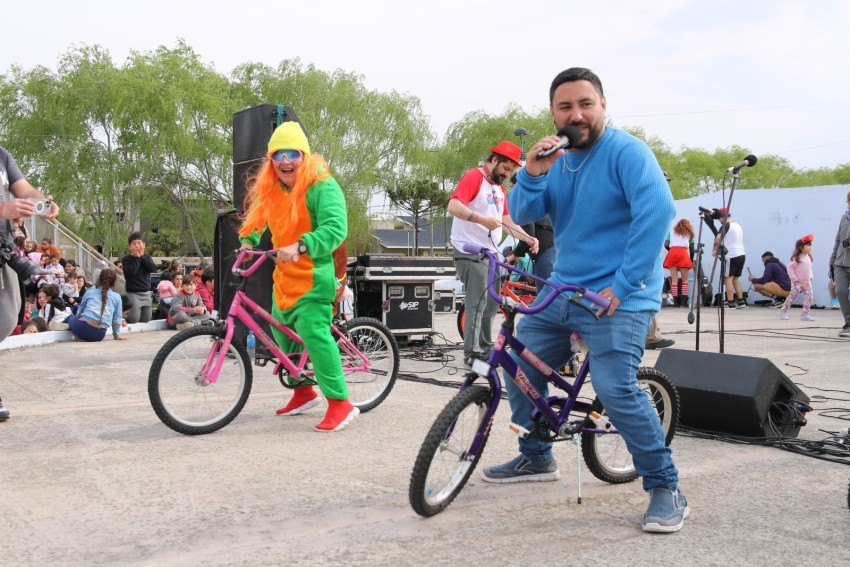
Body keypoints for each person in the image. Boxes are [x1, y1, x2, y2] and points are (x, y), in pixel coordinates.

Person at [484, 67, 687, 533]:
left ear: (603, 106)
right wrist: (532, 174)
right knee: (517, 365)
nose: (576, 114)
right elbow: (528, 212)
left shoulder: (628, 152)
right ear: (553, 113)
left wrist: (624, 281)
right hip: (564, 288)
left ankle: (665, 485)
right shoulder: (555, 159)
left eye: (585, 104)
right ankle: (536, 456)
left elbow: (657, 213)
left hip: (622, 297)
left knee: (616, 390)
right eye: (565, 107)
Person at [238, 121, 356, 432]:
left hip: (314, 275)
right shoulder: (272, 188)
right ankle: (303, 391)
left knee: (313, 333)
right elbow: (257, 219)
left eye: (292, 153)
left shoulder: (322, 186)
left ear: (303, 155)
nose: (285, 161)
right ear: (271, 160)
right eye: (278, 154)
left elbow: (335, 230)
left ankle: (340, 403)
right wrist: (248, 241)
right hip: (284, 279)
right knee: (280, 331)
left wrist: (302, 245)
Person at [447, 140, 539, 367]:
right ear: (495, 160)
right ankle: (472, 355)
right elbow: (454, 206)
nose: (507, 174)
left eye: (511, 171)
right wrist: (481, 220)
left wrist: (527, 237)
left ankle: (486, 351)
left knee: (491, 305)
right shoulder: (474, 177)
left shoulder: (499, 188)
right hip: (470, 250)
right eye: (506, 169)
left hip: (491, 253)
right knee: (477, 303)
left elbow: (506, 220)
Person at [1, 144, 61, 421]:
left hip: (3, 248)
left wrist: (43, 202)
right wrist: (3, 208)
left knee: (6, 317)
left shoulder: (2, 156)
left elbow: (24, 189)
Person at [66, 268, 127, 342]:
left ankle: (63, 324)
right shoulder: (117, 297)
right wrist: (116, 335)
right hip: (99, 335)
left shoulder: (90, 292)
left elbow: (80, 311)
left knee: (70, 317)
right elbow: (116, 319)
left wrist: (77, 320)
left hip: (82, 329)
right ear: (114, 282)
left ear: (99, 279)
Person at [712, 210, 747, 309]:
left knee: (727, 279)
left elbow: (718, 239)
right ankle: (740, 301)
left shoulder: (725, 226)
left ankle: (730, 302)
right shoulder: (738, 225)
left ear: (721, 217)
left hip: (730, 255)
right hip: (741, 254)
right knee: (735, 279)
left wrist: (714, 250)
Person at [121, 232, 156, 324]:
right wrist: (136, 258)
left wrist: (142, 257)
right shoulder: (126, 259)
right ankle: (120, 317)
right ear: (129, 246)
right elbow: (131, 273)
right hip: (133, 292)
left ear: (144, 245)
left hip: (146, 292)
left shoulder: (147, 257)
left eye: (139, 243)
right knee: (133, 319)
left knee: (146, 319)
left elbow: (151, 268)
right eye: (134, 243)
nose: (137, 246)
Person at [780, 235, 815, 321]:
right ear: (801, 247)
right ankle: (783, 311)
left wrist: (811, 276)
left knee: (809, 297)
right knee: (792, 297)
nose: (810, 247)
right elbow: (790, 268)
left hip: (807, 282)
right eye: (807, 245)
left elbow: (809, 269)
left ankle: (804, 314)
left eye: (810, 245)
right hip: (797, 283)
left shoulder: (808, 257)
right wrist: (794, 279)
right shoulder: (797, 258)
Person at [830, 192, 850, 337]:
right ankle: (848, 323)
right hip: (840, 263)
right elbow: (838, 240)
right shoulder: (844, 218)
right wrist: (832, 261)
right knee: (840, 292)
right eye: (849, 201)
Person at [663, 219, 695, 307]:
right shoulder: (689, 233)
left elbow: (666, 244)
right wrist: (691, 260)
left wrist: (672, 251)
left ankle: (676, 301)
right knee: (685, 280)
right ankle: (684, 301)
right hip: (683, 253)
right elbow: (692, 249)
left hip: (672, 253)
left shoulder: (671, 231)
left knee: (674, 280)